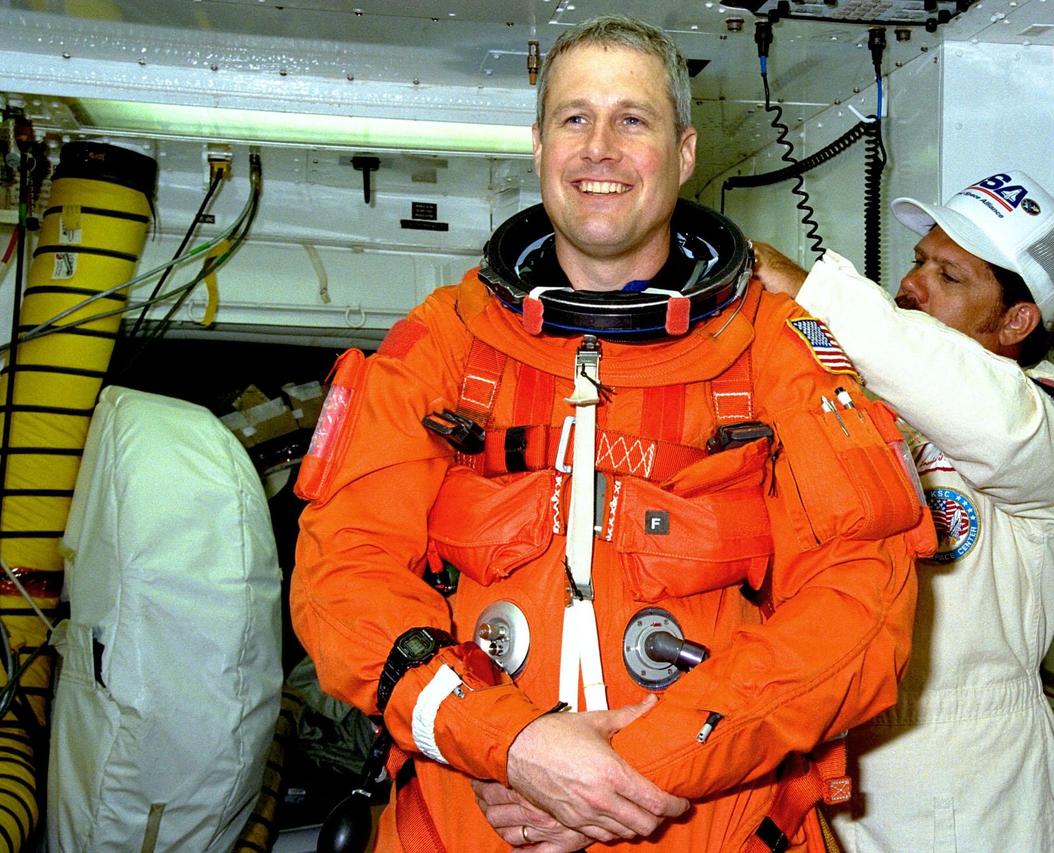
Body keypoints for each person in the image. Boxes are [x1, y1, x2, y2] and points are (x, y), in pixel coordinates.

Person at [291, 15, 936, 853]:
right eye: (574, 117)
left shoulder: (778, 350)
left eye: (632, 118)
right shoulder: (447, 342)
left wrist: (635, 768)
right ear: (538, 145)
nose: (600, 147)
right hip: (473, 822)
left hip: (701, 820)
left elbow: (860, 610)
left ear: (686, 151)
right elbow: (343, 568)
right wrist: (511, 743)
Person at [753, 170, 1054, 852]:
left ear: (1015, 320)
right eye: (919, 260)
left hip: (969, 778)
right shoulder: (863, 398)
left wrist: (817, 291)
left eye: (949, 276)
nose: (913, 284)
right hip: (826, 748)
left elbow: (988, 417)